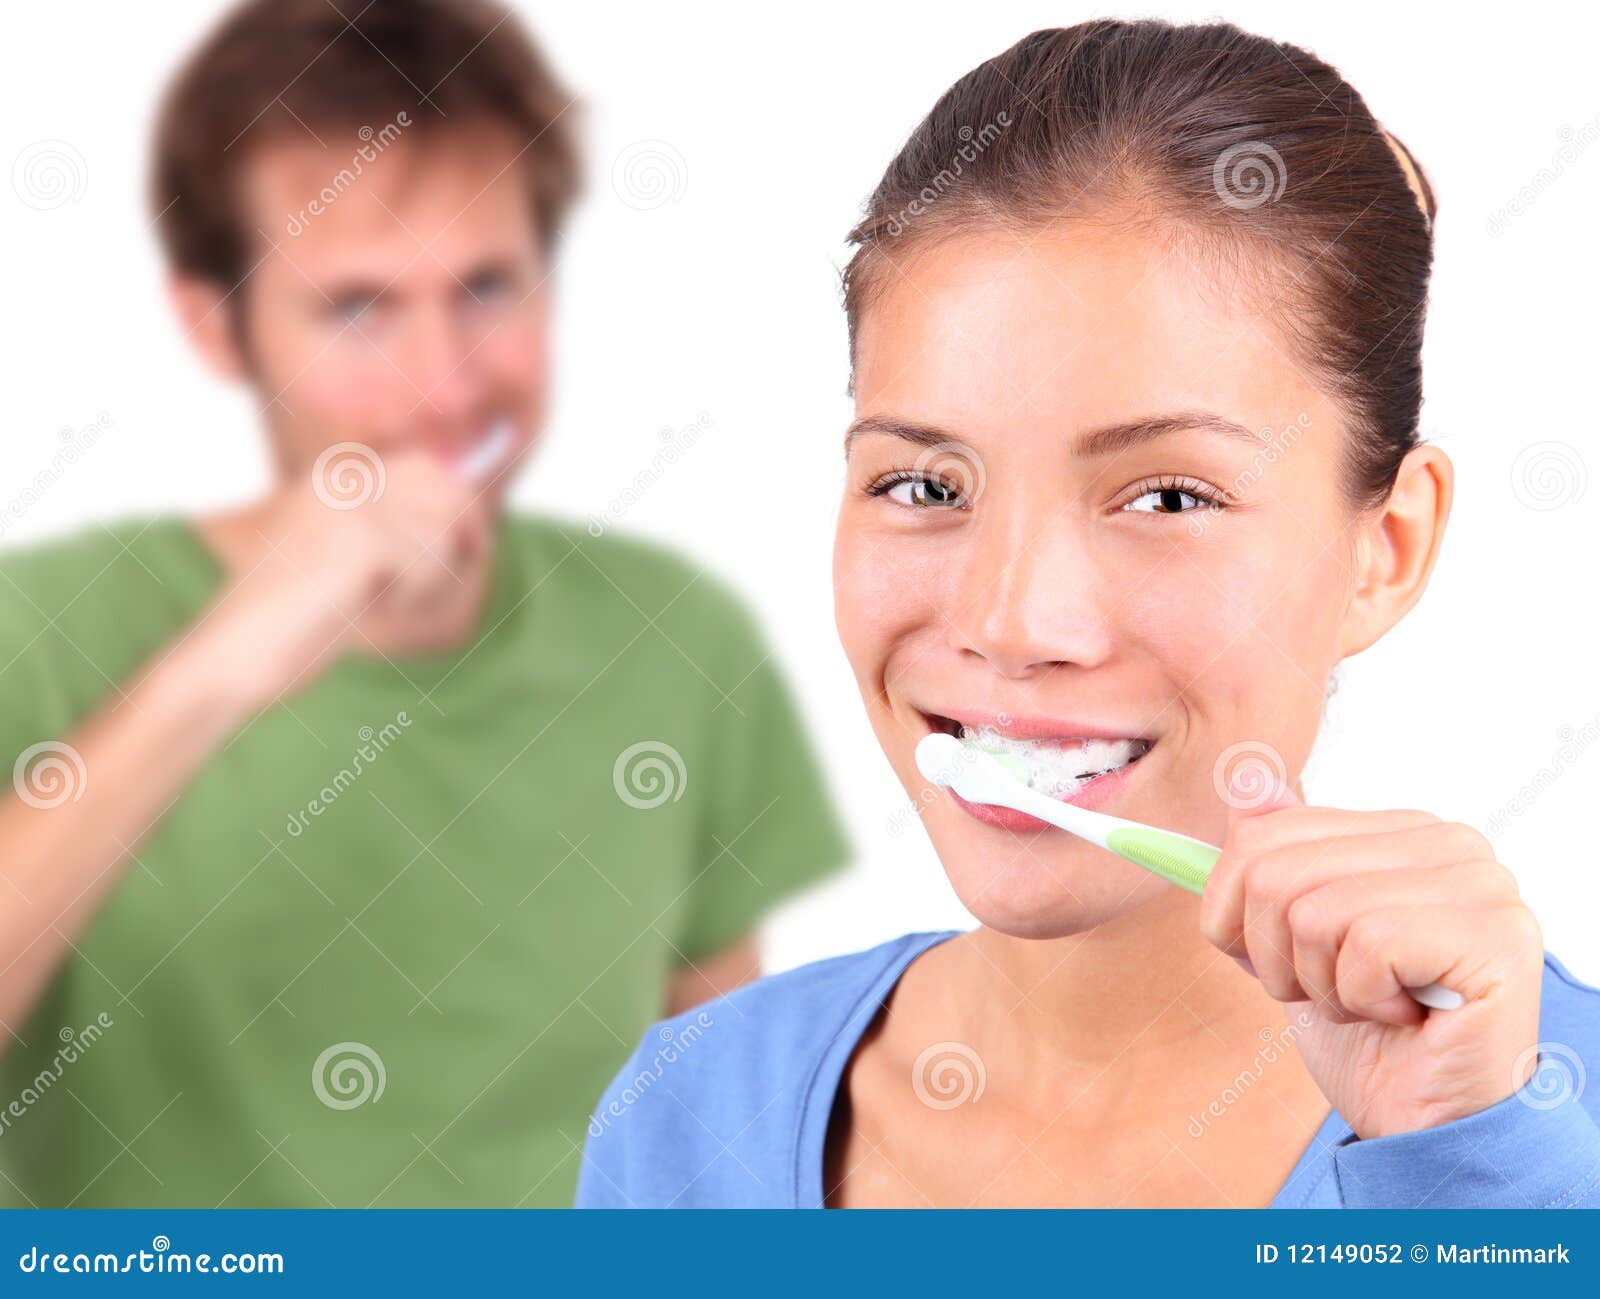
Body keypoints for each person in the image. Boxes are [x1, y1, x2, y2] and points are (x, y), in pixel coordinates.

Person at [576, 19, 1600, 1209]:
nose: (1011, 623)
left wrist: (1464, 1174)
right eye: (923, 485)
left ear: (1386, 548)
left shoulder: (1536, 1143)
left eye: (1167, 495)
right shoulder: (692, 1115)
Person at [0, 0, 847, 1208]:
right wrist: (220, 665)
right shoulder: (35, 628)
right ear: (215, 326)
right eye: (357, 307)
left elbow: (706, 1143)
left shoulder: (679, 639)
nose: (446, 382)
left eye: (489, 287)